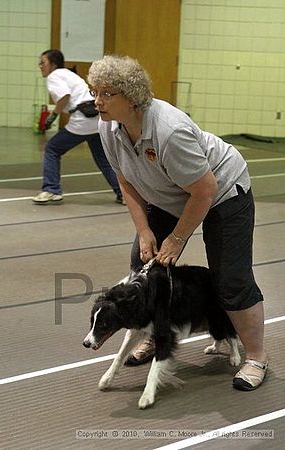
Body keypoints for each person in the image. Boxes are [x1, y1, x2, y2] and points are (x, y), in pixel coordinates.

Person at [87, 55, 268, 391]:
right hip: (169, 192)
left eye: (106, 93)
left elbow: (205, 190)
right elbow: (125, 181)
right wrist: (145, 231)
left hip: (223, 190)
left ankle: (256, 357)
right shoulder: (108, 128)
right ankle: (157, 333)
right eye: (94, 91)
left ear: (131, 95)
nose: (97, 101)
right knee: (142, 267)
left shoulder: (169, 132)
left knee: (230, 278)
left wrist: (175, 239)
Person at [32, 49, 124, 204]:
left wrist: (52, 116)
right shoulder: (68, 73)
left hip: (82, 121)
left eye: (43, 63)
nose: (40, 66)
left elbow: (64, 96)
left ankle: (51, 189)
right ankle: (123, 194)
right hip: (96, 119)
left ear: (53, 64)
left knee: (52, 149)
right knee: (103, 159)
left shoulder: (54, 76)